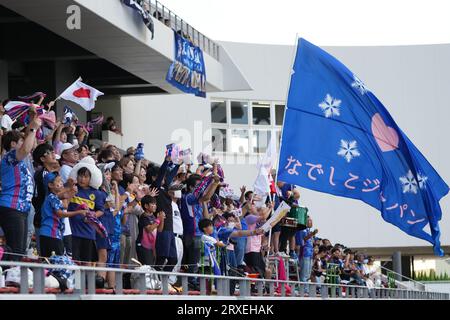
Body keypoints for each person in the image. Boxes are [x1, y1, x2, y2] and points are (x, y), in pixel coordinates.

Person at [0, 114, 41, 261]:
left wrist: (32, 126)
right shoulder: (9, 157)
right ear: (12, 144)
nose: (25, 144)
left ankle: (11, 277)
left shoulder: (21, 161)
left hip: (21, 209)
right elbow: (25, 149)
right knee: (16, 250)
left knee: (19, 250)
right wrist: (33, 129)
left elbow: (30, 147)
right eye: (21, 141)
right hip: (12, 207)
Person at [67, 156, 105, 264]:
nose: (82, 179)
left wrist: (92, 216)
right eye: (80, 176)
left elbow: (101, 210)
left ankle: (87, 281)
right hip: (72, 232)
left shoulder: (96, 193)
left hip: (88, 233)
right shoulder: (72, 188)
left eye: (86, 177)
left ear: (91, 178)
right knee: (73, 261)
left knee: (87, 262)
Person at [39, 172, 85, 257]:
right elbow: (60, 214)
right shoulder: (52, 197)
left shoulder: (53, 197)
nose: (61, 184)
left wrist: (72, 190)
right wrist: (78, 212)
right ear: (50, 185)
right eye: (58, 181)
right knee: (55, 264)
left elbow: (65, 204)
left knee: (50, 264)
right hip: (51, 233)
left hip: (51, 234)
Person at [136, 195, 164, 265]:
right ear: (146, 206)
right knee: (146, 267)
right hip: (143, 245)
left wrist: (162, 219)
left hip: (151, 246)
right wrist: (158, 220)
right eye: (153, 204)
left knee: (151, 266)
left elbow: (159, 230)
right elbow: (149, 229)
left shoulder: (153, 217)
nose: (155, 206)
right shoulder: (144, 216)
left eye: (155, 204)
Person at [297, 217, 318, 290]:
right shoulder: (302, 230)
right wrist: (312, 234)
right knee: (304, 274)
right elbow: (304, 239)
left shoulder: (309, 231)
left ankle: (306, 289)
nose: (311, 222)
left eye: (311, 221)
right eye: (309, 221)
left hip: (310, 255)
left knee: (308, 274)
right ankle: (303, 290)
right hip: (304, 254)